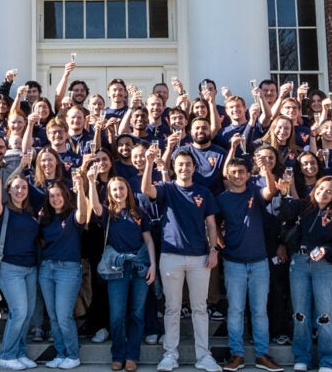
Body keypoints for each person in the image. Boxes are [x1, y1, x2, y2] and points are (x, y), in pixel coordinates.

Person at [141, 146, 224, 372]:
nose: (184, 168)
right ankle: (170, 355)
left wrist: (213, 250)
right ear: (174, 168)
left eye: (188, 164)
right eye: (180, 165)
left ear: (194, 168)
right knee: (172, 308)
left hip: (199, 258)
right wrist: (149, 163)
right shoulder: (167, 188)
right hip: (171, 256)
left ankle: (204, 356)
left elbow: (211, 224)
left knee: (199, 308)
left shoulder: (204, 192)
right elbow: (146, 189)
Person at [277, 175, 332, 372]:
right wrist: (284, 194)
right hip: (299, 263)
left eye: (329, 191)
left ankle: (328, 361)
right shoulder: (303, 207)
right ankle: (303, 357)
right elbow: (283, 215)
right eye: (320, 188)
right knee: (300, 314)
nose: (323, 193)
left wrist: (327, 250)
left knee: (325, 315)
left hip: (324, 267)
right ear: (314, 188)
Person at [86, 170, 157, 372]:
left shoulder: (139, 213)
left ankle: (132, 356)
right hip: (117, 269)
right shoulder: (108, 214)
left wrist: (153, 265)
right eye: (115, 189)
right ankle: (118, 354)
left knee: (136, 313)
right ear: (110, 192)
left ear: (128, 190)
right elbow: (96, 207)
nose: (119, 192)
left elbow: (149, 240)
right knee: (117, 315)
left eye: (122, 188)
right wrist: (91, 182)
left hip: (140, 267)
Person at [215, 157, 281, 372]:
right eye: (233, 172)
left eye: (241, 172)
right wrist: (219, 242)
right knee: (235, 310)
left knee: (259, 311)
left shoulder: (255, 191)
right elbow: (211, 223)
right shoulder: (222, 199)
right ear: (228, 174)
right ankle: (237, 355)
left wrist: (267, 170)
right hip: (234, 262)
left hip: (259, 261)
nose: (237, 175)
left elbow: (270, 192)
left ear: (248, 174)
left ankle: (262, 355)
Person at [40, 175, 93, 369]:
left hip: (68, 270)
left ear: (66, 196)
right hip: (46, 269)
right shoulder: (44, 218)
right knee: (53, 316)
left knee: (64, 315)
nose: (55, 199)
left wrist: (79, 187)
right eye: (52, 196)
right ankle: (60, 353)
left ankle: (73, 354)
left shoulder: (73, 216)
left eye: (59, 195)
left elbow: (83, 212)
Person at [0, 170, 41, 371]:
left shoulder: (31, 212)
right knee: (19, 312)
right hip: (9, 267)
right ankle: (7, 355)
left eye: (24, 187)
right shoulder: (3, 210)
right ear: (9, 191)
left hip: (30, 267)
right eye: (16, 187)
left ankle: (20, 353)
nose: (20, 190)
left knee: (28, 313)